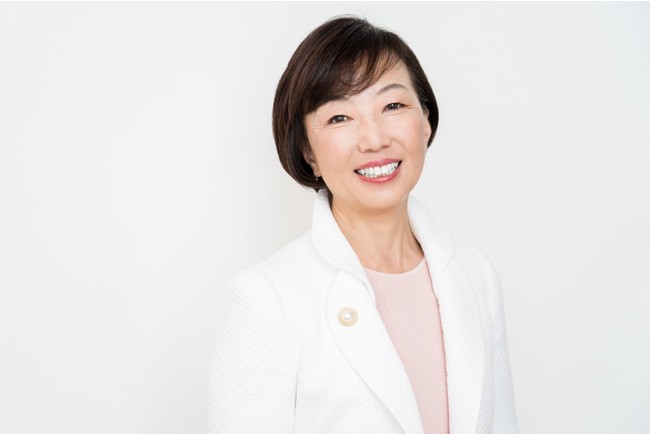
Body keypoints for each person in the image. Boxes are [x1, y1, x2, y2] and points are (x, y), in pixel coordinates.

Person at [208, 16, 517, 434]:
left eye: (393, 106)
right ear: (308, 151)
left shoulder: (476, 276)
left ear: (425, 120)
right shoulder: (267, 299)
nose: (374, 139)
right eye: (340, 117)